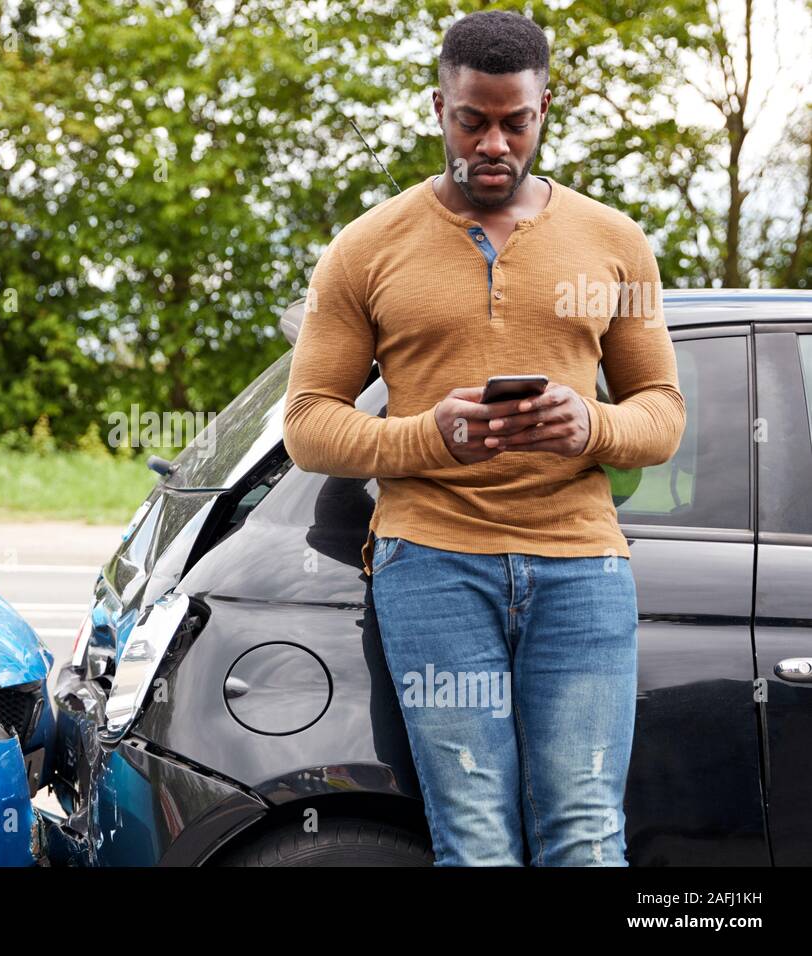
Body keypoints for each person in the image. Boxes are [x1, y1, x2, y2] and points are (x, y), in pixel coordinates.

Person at [282, 9, 686, 866]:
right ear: (438, 106)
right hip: (431, 566)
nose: (494, 144)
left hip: (582, 567)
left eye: (516, 121)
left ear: (546, 109)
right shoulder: (365, 249)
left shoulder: (616, 243)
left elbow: (663, 414)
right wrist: (429, 434)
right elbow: (309, 424)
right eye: (473, 120)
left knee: (584, 835)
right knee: (476, 839)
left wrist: (593, 425)